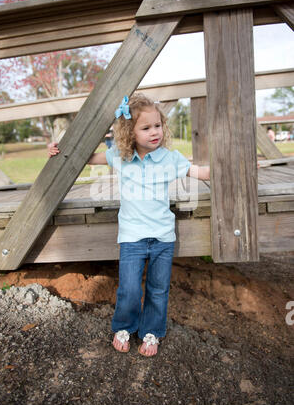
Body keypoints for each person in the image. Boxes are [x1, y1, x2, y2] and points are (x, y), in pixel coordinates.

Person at [48, 93, 211, 358]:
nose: (154, 132)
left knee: (158, 290)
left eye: (157, 125)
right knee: (130, 289)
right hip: (132, 237)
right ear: (129, 132)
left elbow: (199, 172)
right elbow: (88, 157)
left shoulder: (170, 159)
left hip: (162, 237)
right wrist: (60, 148)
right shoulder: (121, 158)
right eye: (146, 128)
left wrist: (227, 165)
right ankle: (124, 327)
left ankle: (152, 332)